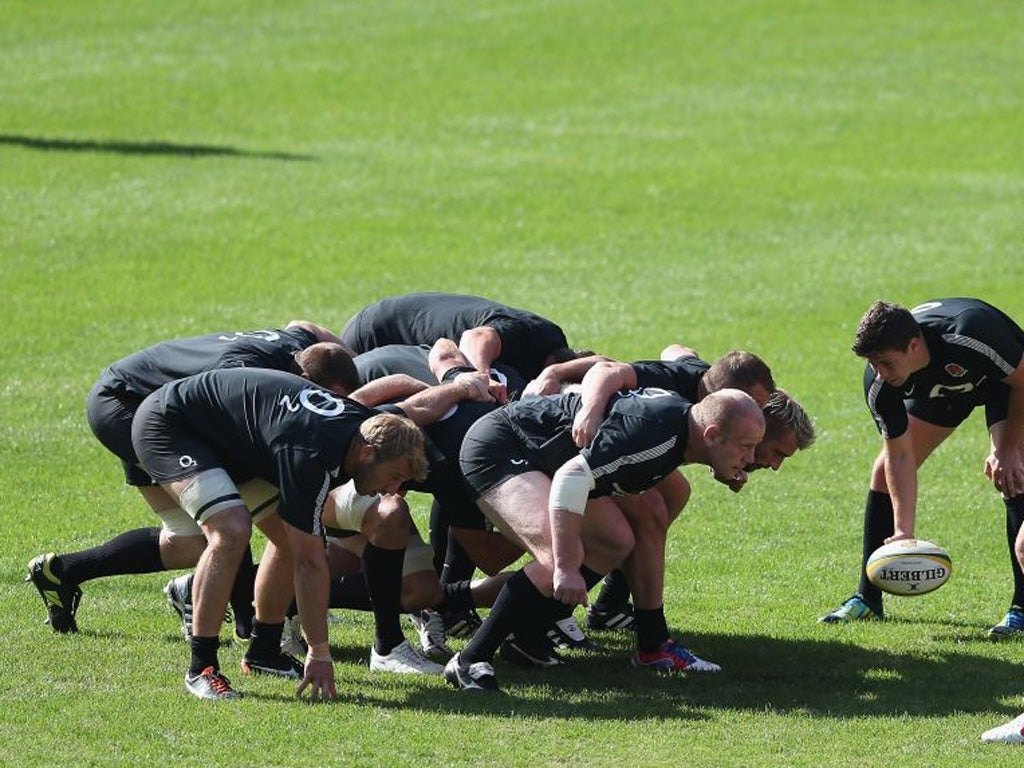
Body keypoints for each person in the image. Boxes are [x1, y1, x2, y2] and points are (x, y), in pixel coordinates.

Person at [129, 365, 495, 700]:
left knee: (290, 540)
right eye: (395, 476)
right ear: (367, 454)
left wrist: (460, 387)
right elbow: (310, 564)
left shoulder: (370, 427)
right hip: (172, 424)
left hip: (228, 436)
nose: (392, 490)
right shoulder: (310, 456)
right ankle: (202, 668)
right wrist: (320, 652)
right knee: (231, 530)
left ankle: (264, 651)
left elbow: (412, 408)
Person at [25, 322, 358, 638]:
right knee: (232, 516)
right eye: (321, 398)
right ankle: (250, 627)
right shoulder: (244, 376)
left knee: (188, 542)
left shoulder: (300, 348)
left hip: (154, 397)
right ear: (303, 379)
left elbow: (307, 326)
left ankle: (62, 571)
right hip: (128, 404)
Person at [444, 386, 766, 691]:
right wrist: (568, 567)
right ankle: (470, 660)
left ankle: (525, 636)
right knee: (557, 560)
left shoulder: (682, 426)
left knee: (615, 541)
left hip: (549, 457)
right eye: (745, 446)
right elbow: (572, 478)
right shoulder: (655, 435)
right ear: (711, 435)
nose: (751, 458)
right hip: (504, 447)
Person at [819, 299, 1024, 631]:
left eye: (885, 362)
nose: (880, 373)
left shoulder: (970, 334)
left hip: (1007, 385)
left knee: (1013, 473)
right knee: (882, 471)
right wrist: (903, 532)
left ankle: (1022, 609)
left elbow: (1022, 382)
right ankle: (867, 599)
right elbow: (900, 456)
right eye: (873, 364)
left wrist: (1008, 448)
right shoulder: (881, 382)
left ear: (914, 345)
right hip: (944, 390)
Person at [340, 291, 601, 385]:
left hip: (394, 324)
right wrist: (482, 377)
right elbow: (475, 338)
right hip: (377, 331)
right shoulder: (531, 338)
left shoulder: (547, 342)